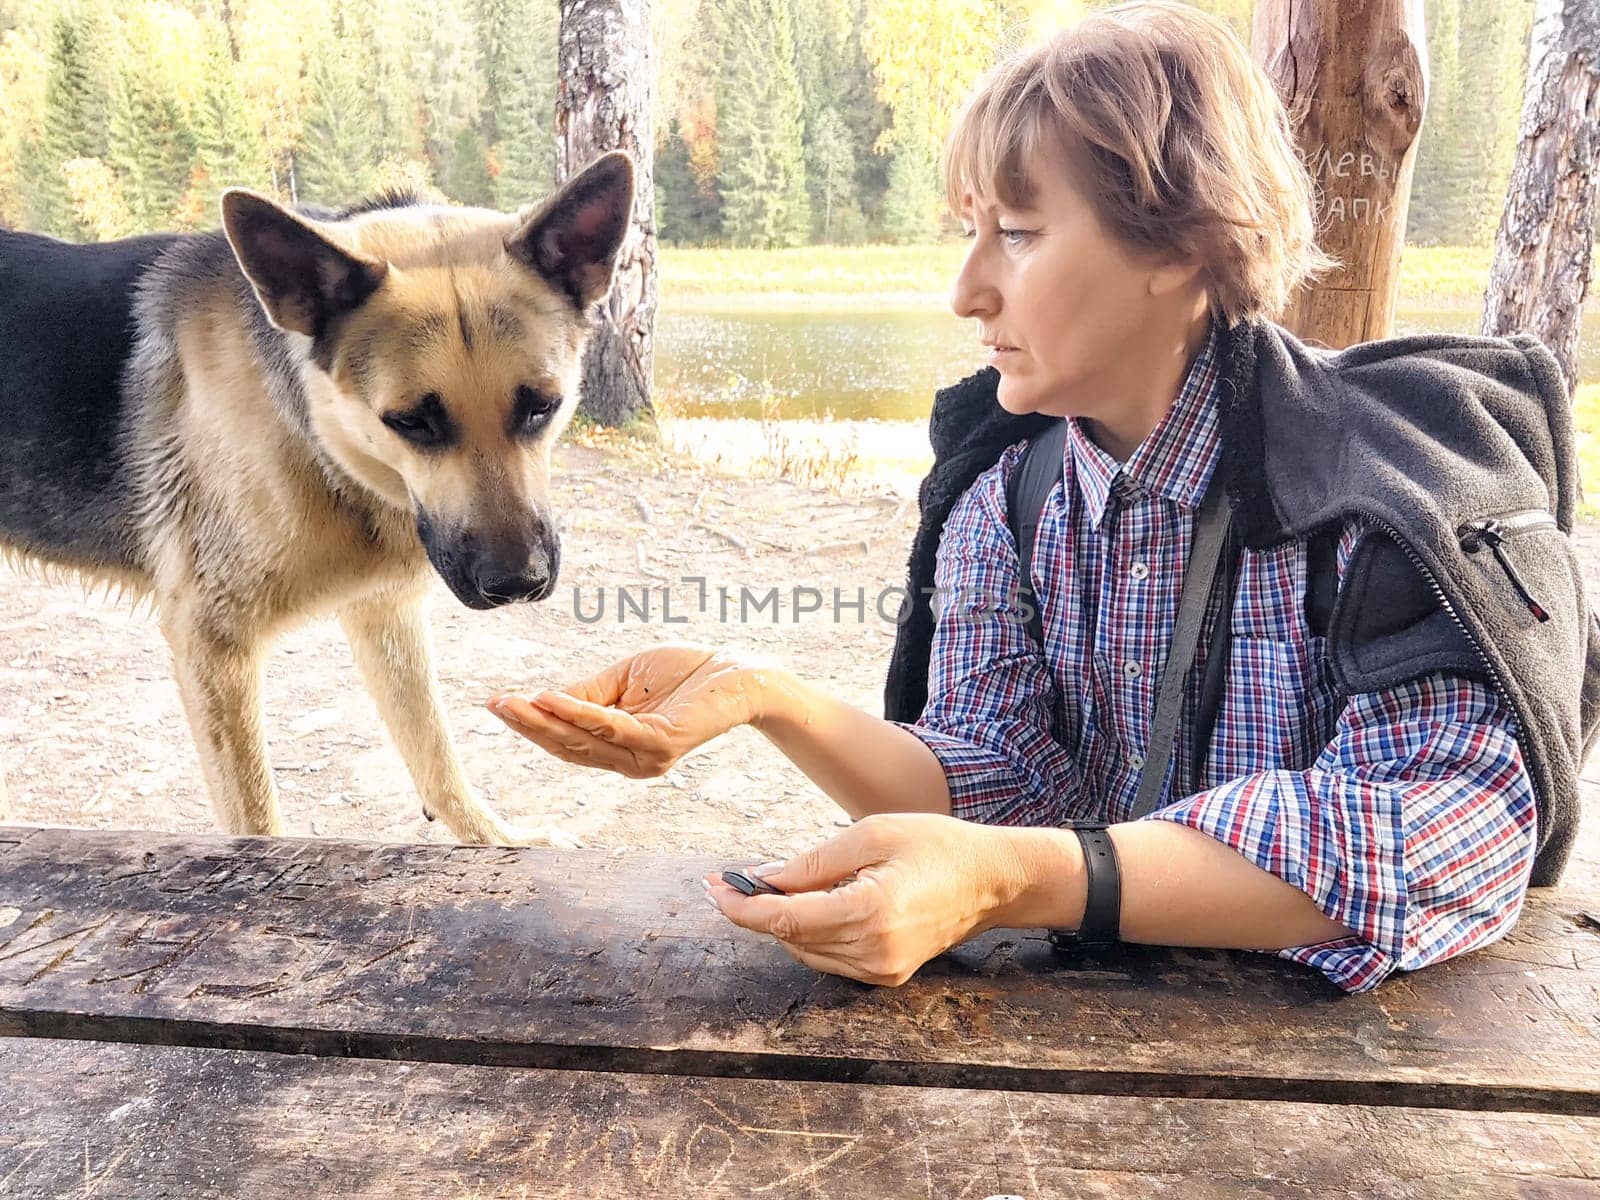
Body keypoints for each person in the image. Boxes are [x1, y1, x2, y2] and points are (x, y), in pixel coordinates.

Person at [489, 1, 1592, 992]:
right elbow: (1002, 773)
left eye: (1015, 233)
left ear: (1178, 240)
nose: (966, 291)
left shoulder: (1371, 508)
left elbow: (1451, 828)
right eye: (970, 232)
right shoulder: (1001, 497)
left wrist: (1016, 880)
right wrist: (762, 695)